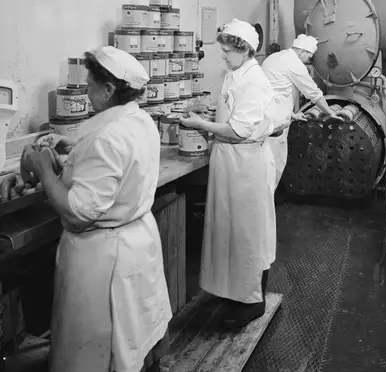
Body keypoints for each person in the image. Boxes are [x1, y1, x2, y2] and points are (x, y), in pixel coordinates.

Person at [21, 46, 172, 372]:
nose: (86, 93)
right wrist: (76, 150)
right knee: (134, 340)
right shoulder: (141, 120)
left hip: (104, 255)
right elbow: (116, 164)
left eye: (90, 86)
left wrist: (44, 170)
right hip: (136, 238)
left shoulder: (106, 137)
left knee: (100, 352)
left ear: (108, 90)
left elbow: (77, 213)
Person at [179, 19, 276, 330]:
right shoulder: (235, 73)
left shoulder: (254, 80)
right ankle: (235, 292)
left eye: (227, 50)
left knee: (246, 232)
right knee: (230, 230)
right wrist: (211, 115)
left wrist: (201, 125)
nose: (222, 55)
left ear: (244, 49)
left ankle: (252, 301)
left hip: (245, 165)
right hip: (231, 162)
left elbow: (237, 131)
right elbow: (233, 115)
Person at [261, 33, 341, 189]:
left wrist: (292, 115)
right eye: (309, 55)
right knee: (273, 169)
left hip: (265, 120)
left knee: (264, 169)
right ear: (302, 51)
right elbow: (313, 93)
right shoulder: (294, 64)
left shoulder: (275, 58)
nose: (309, 59)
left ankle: (264, 200)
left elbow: (274, 92)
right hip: (275, 127)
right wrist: (330, 112)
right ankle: (266, 202)